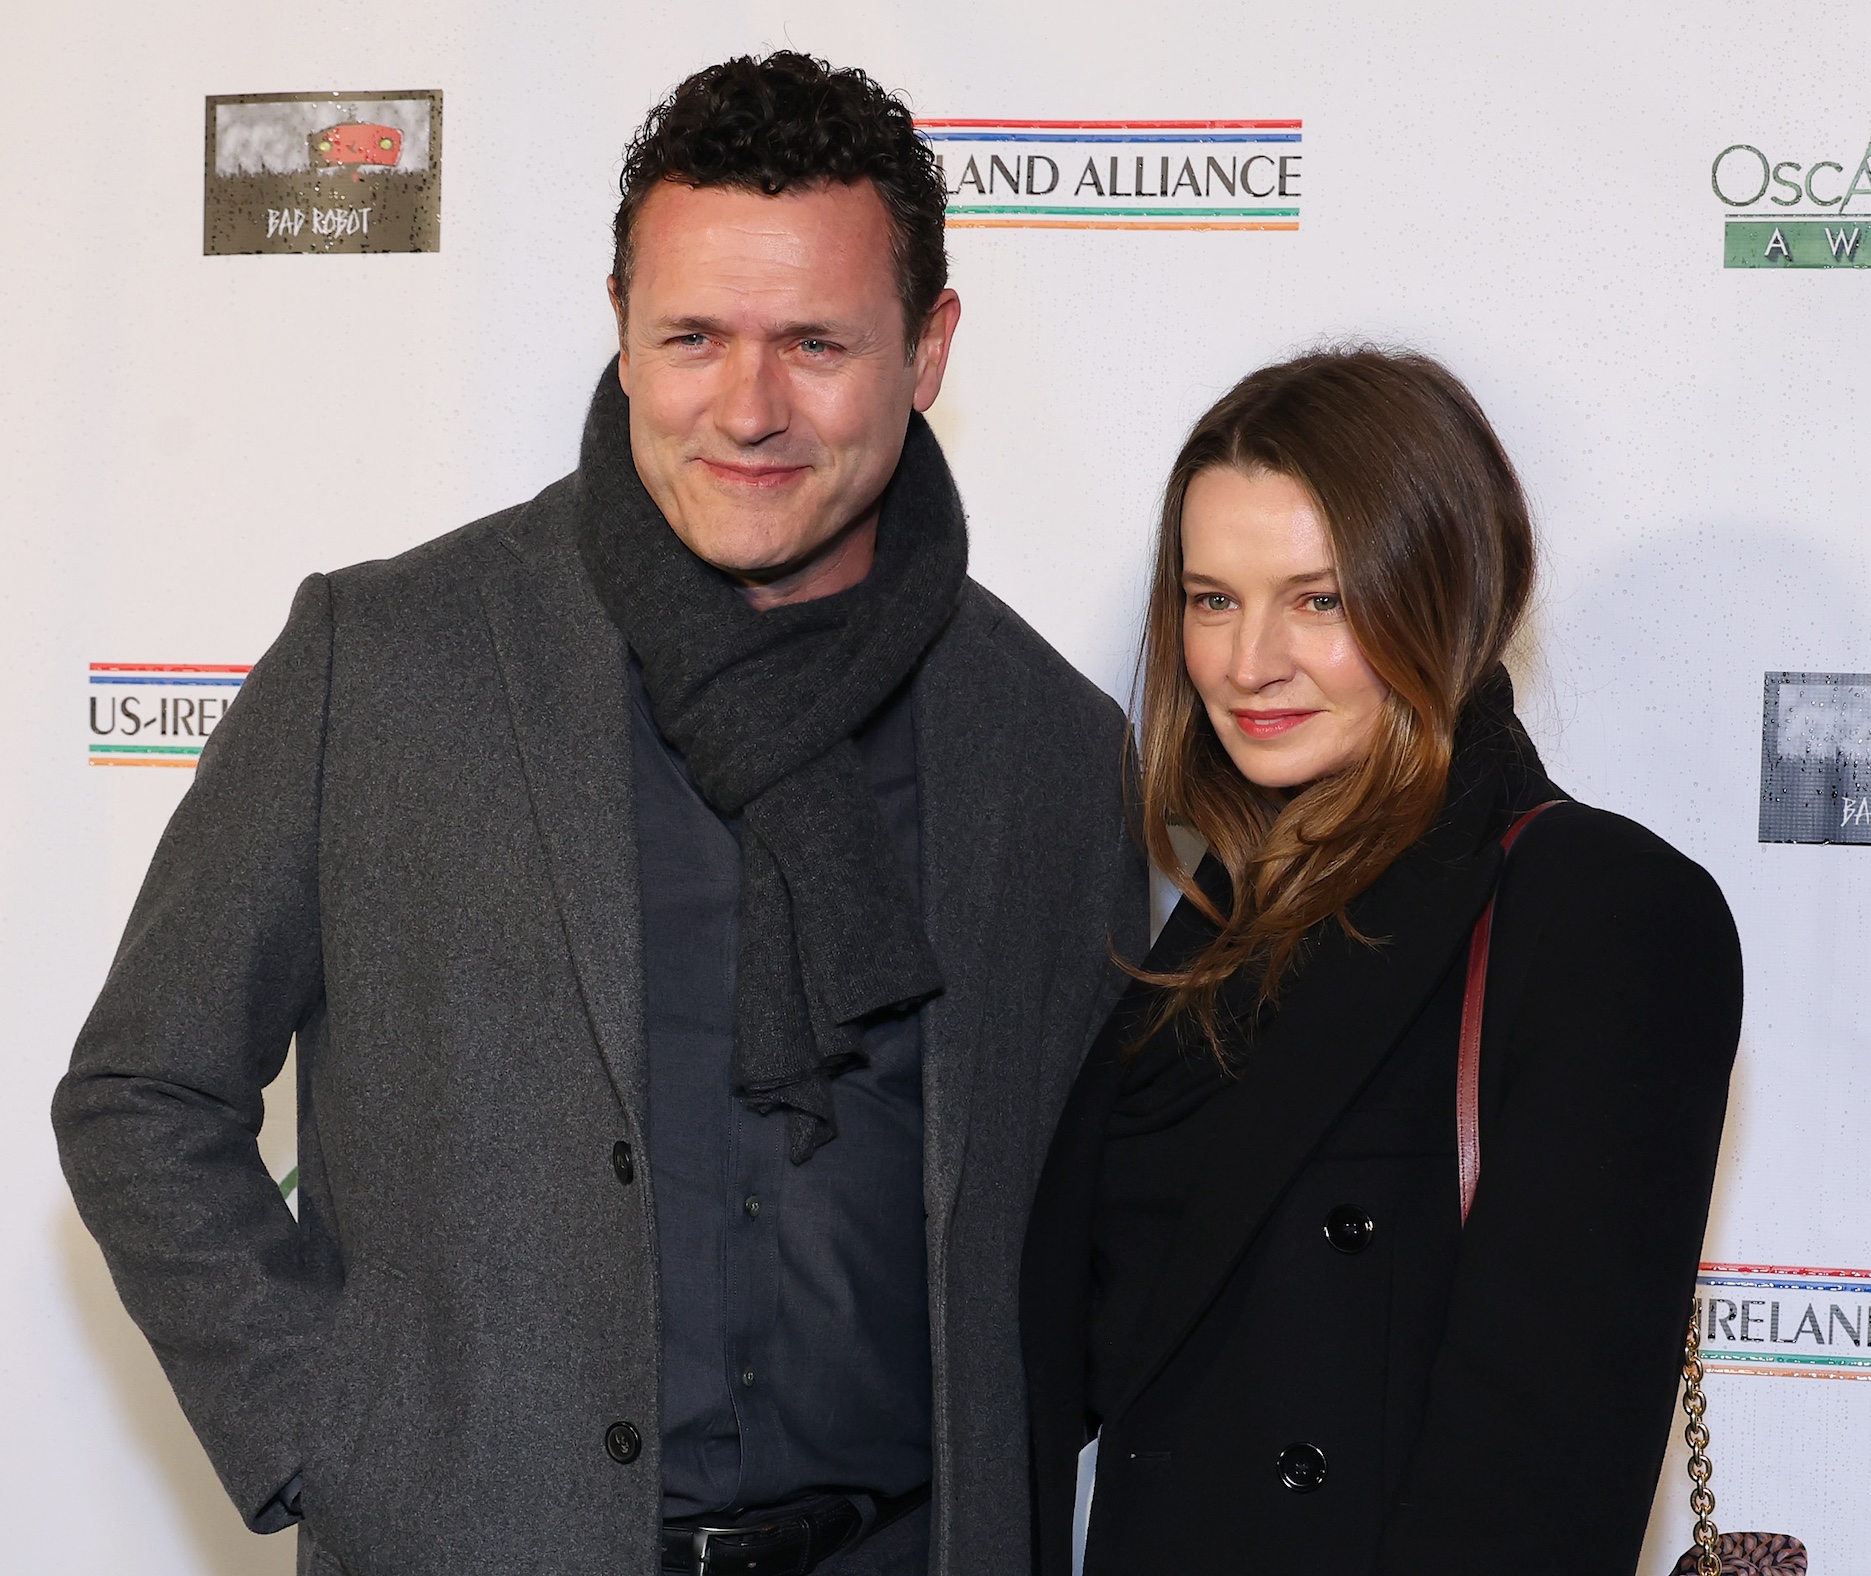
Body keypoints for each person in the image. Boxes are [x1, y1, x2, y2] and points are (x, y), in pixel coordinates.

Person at [53, 53, 1142, 1576]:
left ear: (929, 348)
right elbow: (142, 1089)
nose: (748, 409)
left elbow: (1101, 1211)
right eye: (693, 336)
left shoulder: (1049, 744)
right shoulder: (386, 662)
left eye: (815, 342)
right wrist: (329, 1434)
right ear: (622, 329)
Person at [1021, 348, 1741, 1575]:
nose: (1250, 662)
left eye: (1319, 600)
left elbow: (1539, 1488)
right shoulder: (1213, 931)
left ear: (1444, 597)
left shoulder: (1600, 910)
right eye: (1212, 599)